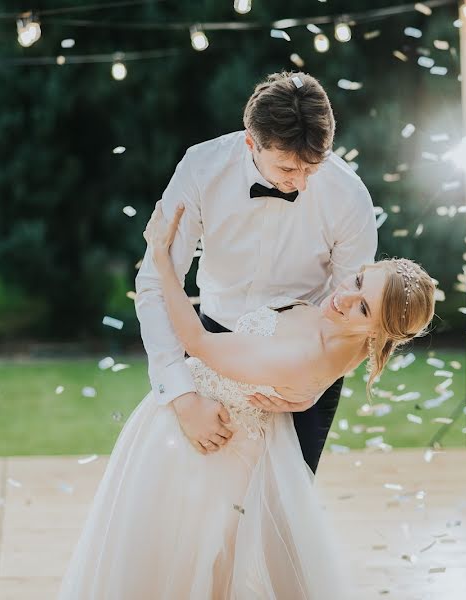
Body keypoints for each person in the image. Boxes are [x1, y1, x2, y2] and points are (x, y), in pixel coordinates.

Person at [57, 201, 436, 598]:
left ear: (379, 331)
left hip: (204, 442)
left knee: (173, 555)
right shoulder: (355, 345)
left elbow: (197, 342)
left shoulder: (303, 357)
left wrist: (161, 263)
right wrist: (302, 399)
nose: (344, 297)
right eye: (358, 280)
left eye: (362, 307)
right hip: (236, 435)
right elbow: (317, 381)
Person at [134, 71, 377, 472]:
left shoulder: (350, 196)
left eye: (311, 169)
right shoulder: (201, 168)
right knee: (204, 506)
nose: (299, 182)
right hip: (213, 343)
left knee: (284, 513)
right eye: (286, 168)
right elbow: (156, 283)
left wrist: (315, 383)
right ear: (251, 141)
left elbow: (357, 317)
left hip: (307, 357)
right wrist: (181, 396)